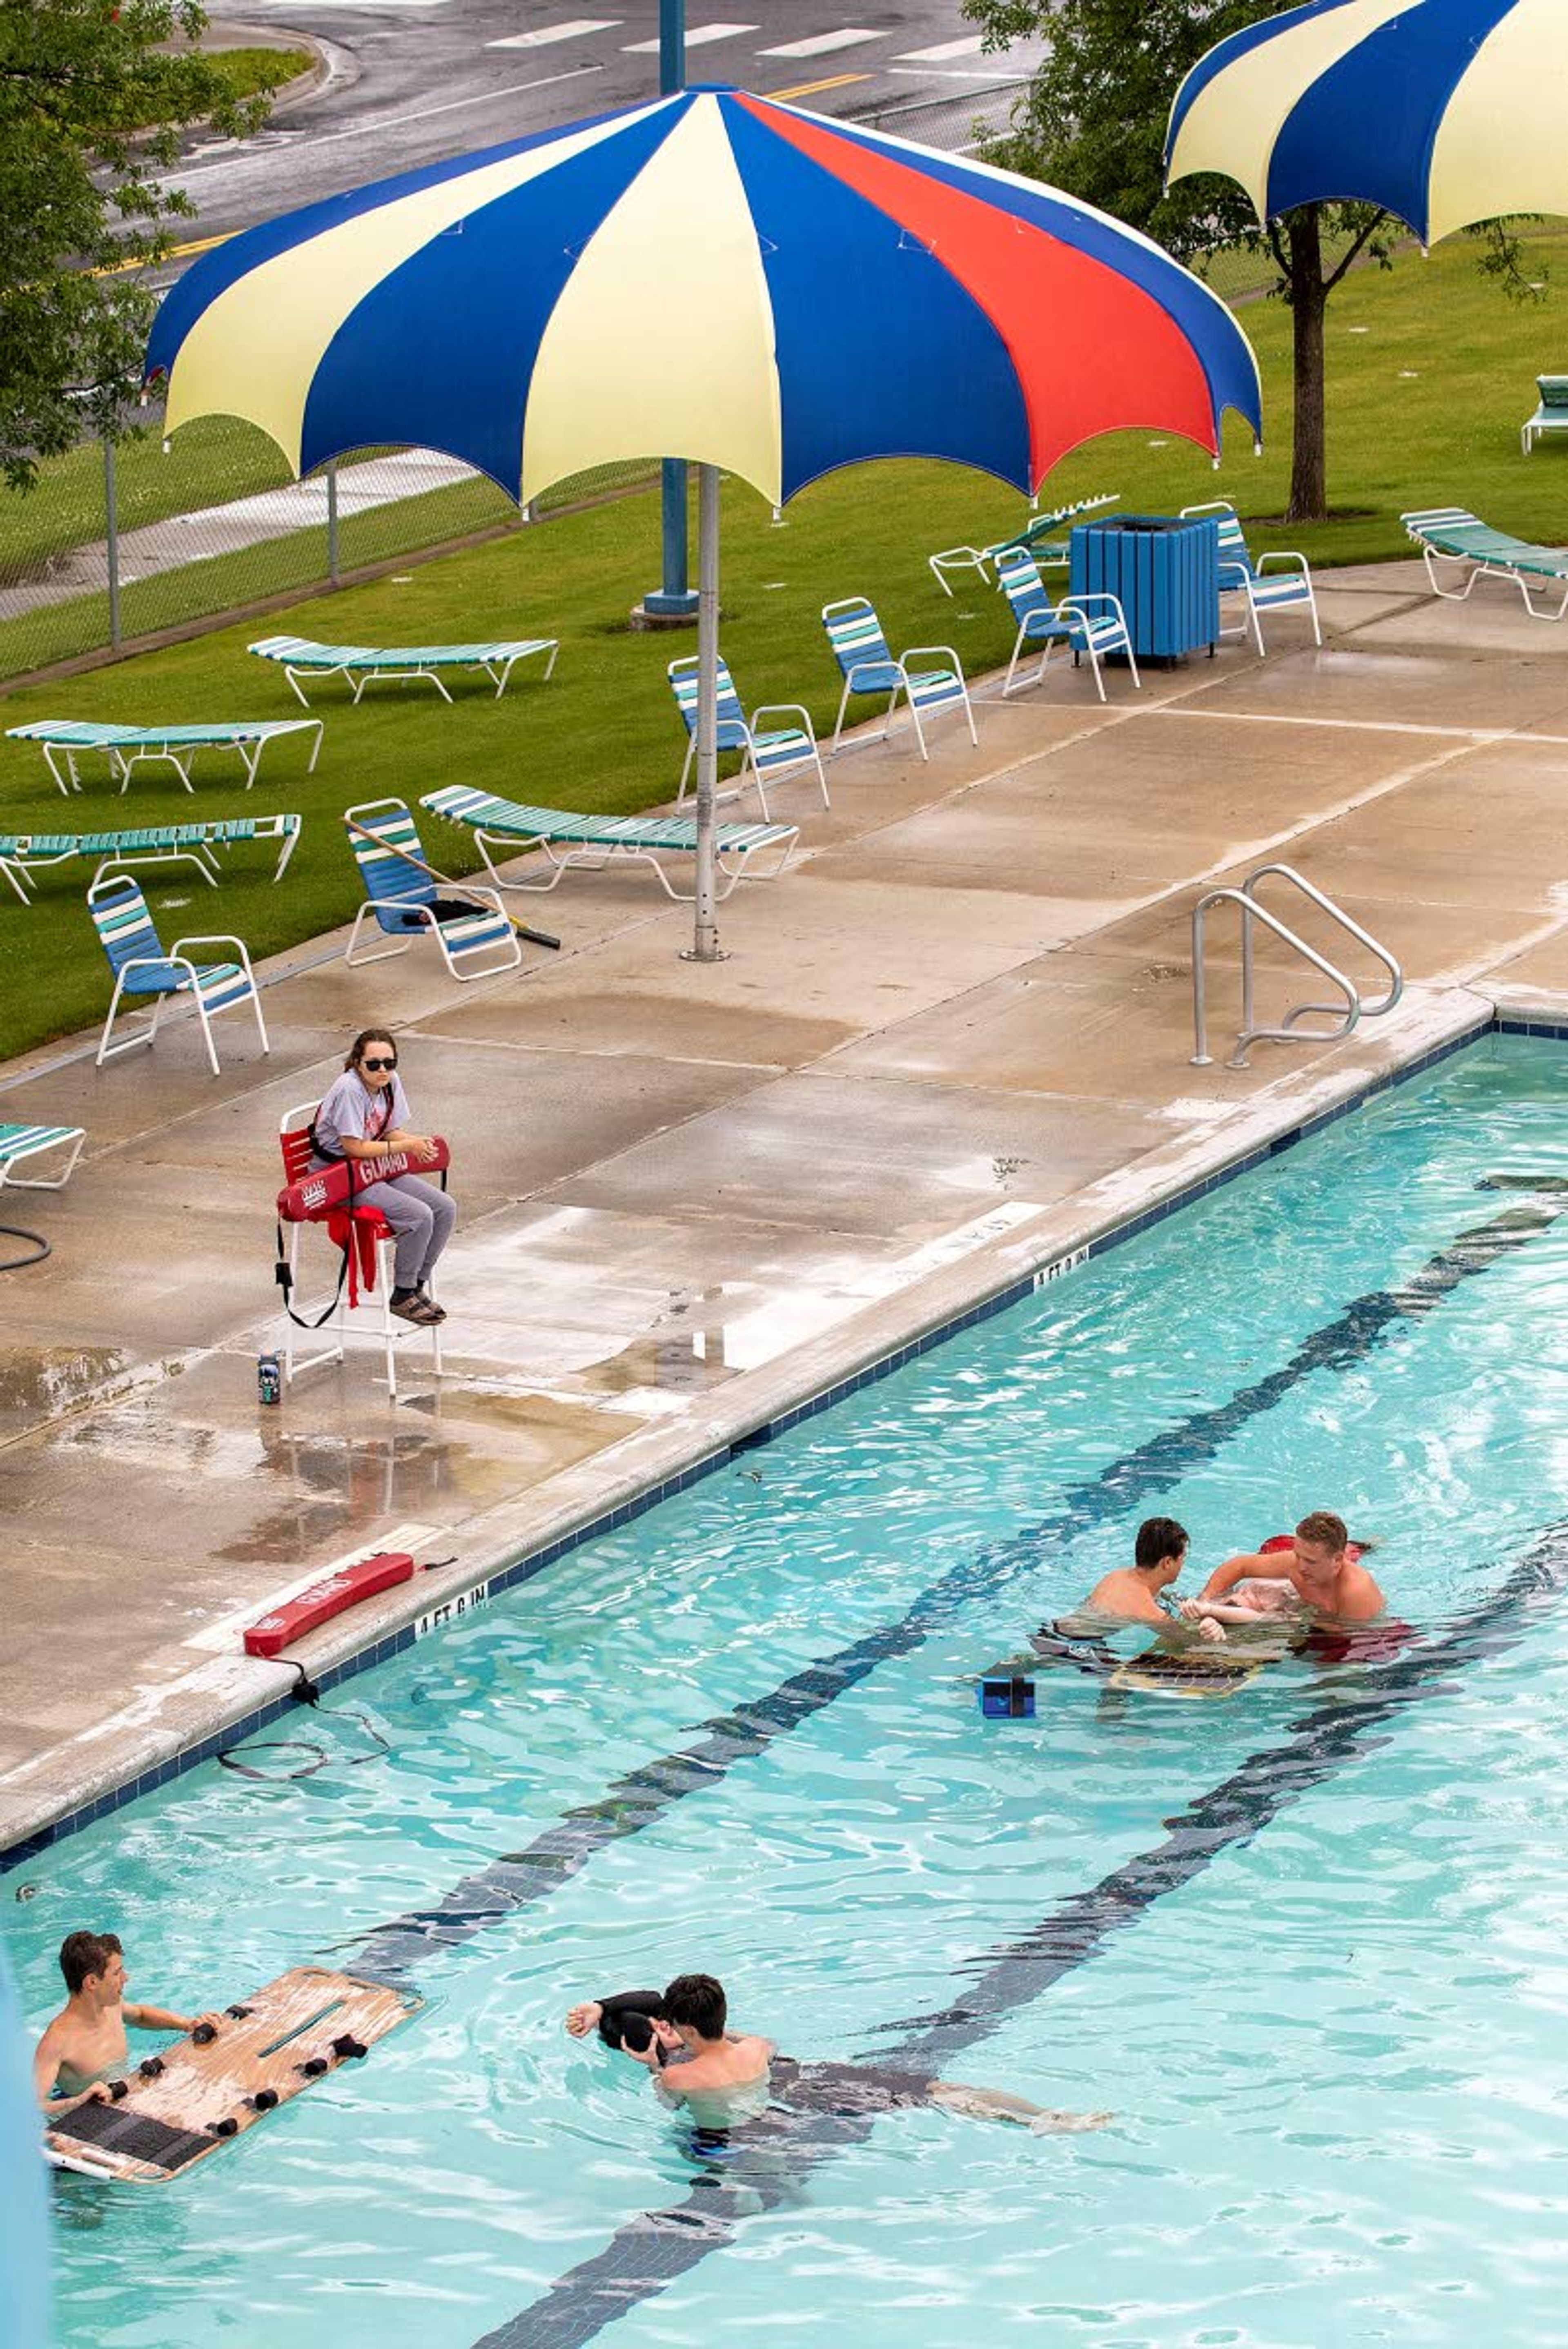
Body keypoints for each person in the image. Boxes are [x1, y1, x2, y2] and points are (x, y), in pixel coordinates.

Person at [566, 1976, 1107, 2136]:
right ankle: (1044, 2117)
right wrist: (601, 2004)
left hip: (790, 2102)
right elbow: (674, 2011)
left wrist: (657, 2065)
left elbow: (670, 2104)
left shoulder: (682, 2077)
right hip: (815, 2075)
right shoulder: (753, 2043)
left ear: (677, 2027)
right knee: (941, 2093)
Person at [312, 1028, 455, 1326]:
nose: (383, 1070)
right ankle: (402, 1294)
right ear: (357, 1062)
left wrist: (418, 1143)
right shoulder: (350, 1089)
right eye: (374, 1064)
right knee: (418, 1216)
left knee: (444, 1207)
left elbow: (389, 1130)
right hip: (341, 1175)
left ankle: (415, 1285)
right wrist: (407, 1147)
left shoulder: (391, 1083)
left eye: (389, 1063)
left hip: (374, 1166)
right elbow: (353, 1147)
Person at [33, 1932, 222, 2116]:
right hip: (82, 2117)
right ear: (92, 1982)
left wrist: (187, 2023)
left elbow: (140, 2015)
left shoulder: (111, 2007)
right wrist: (78, 2102)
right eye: (117, 1973)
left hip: (123, 2097)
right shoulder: (58, 2041)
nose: (126, 1978)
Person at [1185, 1510, 1384, 1627]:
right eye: (1298, 1556)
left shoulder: (1356, 1592)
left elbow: (1351, 1642)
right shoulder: (1295, 1563)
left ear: (1337, 1560)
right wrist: (1206, 1599)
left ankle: (1365, 1545)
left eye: (1311, 1562)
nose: (1300, 1567)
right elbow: (1240, 1566)